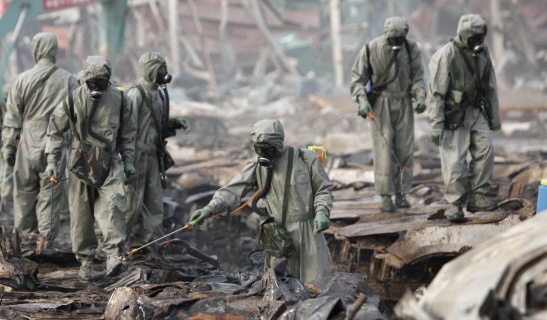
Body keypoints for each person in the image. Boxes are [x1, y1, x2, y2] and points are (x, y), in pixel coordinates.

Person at [190, 119, 332, 283]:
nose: (264, 153)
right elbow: (232, 190)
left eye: (269, 148)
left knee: (316, 283)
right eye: (260, 148)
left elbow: (323, 189)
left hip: (309, 231)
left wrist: (322, 212)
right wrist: (209, 208)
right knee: (281, 286)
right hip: (278, 235)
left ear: (279, 142)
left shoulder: (305, 158)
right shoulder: (257, 166)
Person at [45, 56, 136, 280]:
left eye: (101, 82)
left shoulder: (121, 100)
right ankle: (85, 261)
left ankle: (113, 255)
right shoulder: (72, 100)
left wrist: (129, 161)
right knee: (81, 213)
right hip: (81, 162)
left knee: (113, 205)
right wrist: (51, 161)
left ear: (109, 79)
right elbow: (55, 130)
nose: (96, 87)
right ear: (84, 79)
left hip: (109, 160)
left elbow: (128, 134)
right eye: (91, 82)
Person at [1, 32, 78, 242]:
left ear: (36, 50)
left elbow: (12, 117)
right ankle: (45, 244)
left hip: (26, 143)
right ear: (54, 50)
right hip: (56, 144)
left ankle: (22, 241)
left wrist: (8, 147)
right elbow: (78, 115)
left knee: (23, 195)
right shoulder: (69, 79)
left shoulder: (22, 79)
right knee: (50, 195)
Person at [428, 14, 502, 222]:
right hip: (454, 113)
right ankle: (455, 204)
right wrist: (436, 123)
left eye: (481, 37)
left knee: (485, 150)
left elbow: (490, 86)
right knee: (455, 160)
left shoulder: (483, 53)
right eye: (474, 37)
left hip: (476, 110)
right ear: (464, 35)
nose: (478, 41)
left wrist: (493, 118)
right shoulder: (447, 55)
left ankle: (478, 195)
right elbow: (436, 92)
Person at [350, 16, 426, 212]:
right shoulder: (370, 49)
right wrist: (363, 101)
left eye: (399, 39)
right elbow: (357, 80)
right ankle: (385, 196)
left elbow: (418, 77)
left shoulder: (411, 49)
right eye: (392, 39)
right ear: (386, 36)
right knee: (383, 151)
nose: (396, 43)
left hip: (403, 103)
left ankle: (402, 193)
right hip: (380, 104)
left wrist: (420, 97)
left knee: (405, 150)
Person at [124, 52, 190, 248]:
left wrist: (175, 123)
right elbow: (127, 128)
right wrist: (126, 160)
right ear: (151, 69)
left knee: (154, 202)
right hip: (137, 156)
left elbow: (156, 125)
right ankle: (116, 245)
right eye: (160, 68)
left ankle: (147, 242)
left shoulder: (160, 94)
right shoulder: (136, 94)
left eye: (165, 67)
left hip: (153, 156)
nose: (164, 72)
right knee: (131, 204)